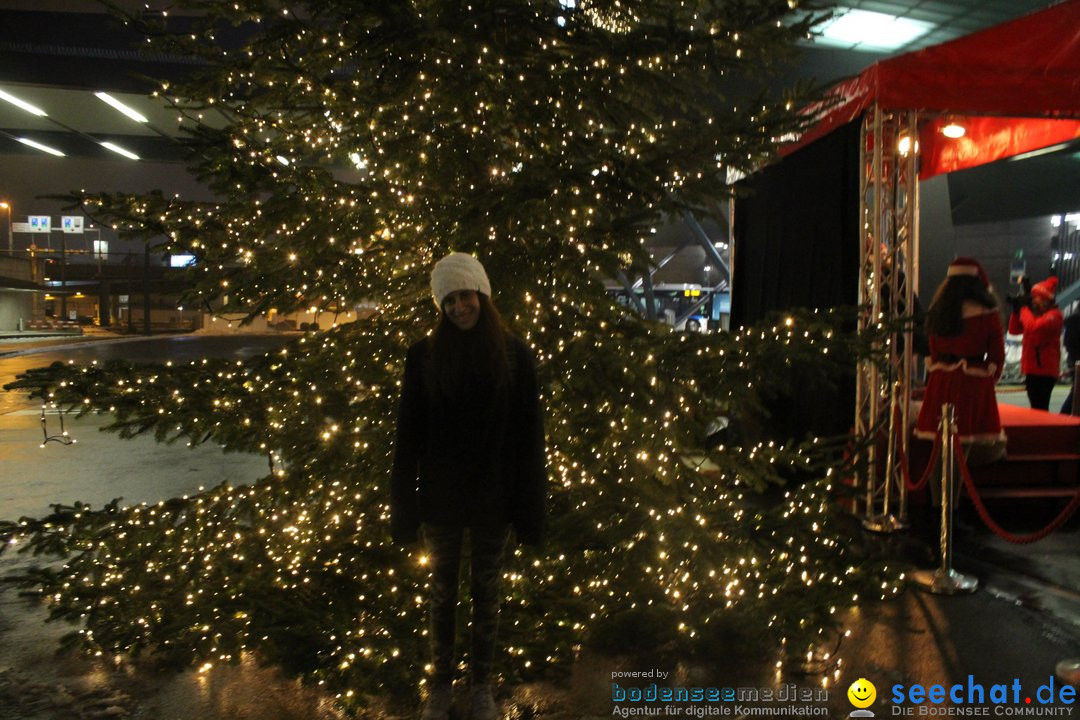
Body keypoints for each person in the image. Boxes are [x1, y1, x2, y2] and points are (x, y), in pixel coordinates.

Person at [390, 252, 546, 720]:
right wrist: (405, 508)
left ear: (483, 294)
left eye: (466, 296)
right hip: (441, 500)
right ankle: (440, 685)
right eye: (450, 300)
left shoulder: (516, 355)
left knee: (487, 593)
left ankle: (481, 687)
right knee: (441, 595)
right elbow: (408, 436)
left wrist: (529, 509)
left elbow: (529, 438)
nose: (459, 307)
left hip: (494, 500)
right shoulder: (423, 357)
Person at [913, 257, 1006, 463]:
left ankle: (944, 493)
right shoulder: (988, 312)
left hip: (941, 382)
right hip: (973, 382)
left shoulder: (939, 311)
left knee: (940, 450)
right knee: (965, 447)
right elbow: (997, 354)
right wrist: (991, 375)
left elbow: (933, 349)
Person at [1008, 275, 1063, 411]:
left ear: (1046, 299)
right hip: (1032, 369)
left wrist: (1023, 310)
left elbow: (1034, 328)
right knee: (1036, 408)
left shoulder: (1055, 315)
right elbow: (1014, 330)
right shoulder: (1034, 315)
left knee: (1040, 408)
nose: (1033, 301)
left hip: (1044, 371)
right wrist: (1016, 312)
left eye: (1035, 297)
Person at [1060, 312, 1080, 415]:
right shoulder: (1074, 320)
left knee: (1075, 393)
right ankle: (1063, 416)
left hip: (1074, 360)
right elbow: (1069, 343)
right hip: (1076, 362)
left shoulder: (1072, 319)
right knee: (1075, 394)